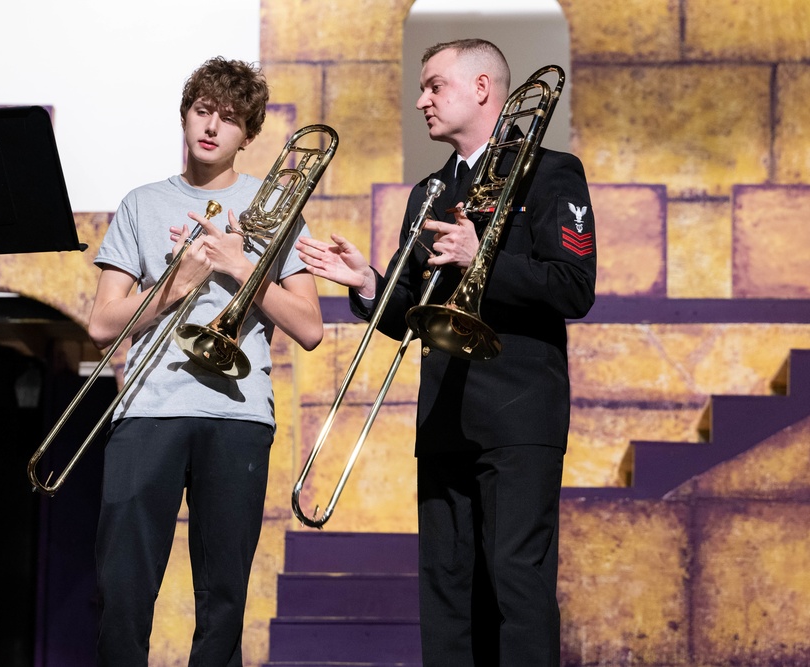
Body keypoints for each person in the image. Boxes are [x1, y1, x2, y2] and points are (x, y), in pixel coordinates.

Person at [296, 39, 596, 666]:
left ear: (483, 88)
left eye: (435, 86)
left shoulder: (551, 171)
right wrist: (368, 284)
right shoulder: (428, 192)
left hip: (519, 414)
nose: (421, 100)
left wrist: (481, 257)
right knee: (446, 586)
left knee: (517, 580)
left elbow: (574, 287)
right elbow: (415, 313)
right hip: (443, 418)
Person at [88, 56, 323, 666]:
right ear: (186, 115)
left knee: (223, 601)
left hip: (238, 416)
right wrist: (176, 281)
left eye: (231, 119)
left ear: (249, 134)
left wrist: (240, 264)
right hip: (146, 410)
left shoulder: (274, 206)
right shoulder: (141, 204)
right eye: (204, 111)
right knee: (123, 593)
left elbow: (309, 327)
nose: (213, 127)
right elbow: (101, 326)